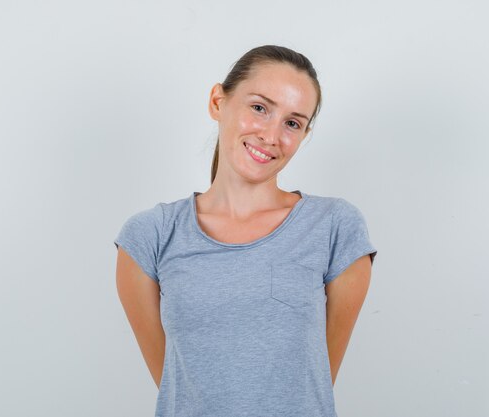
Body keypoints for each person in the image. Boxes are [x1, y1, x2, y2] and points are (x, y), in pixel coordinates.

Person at [114, 44, 377, 417]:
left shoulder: (335, 227)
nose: (271, 135)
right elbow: (179, 384)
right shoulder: (149, 237)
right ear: (218, 102)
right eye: (259, 108)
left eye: (292, 122)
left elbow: (313, 381)